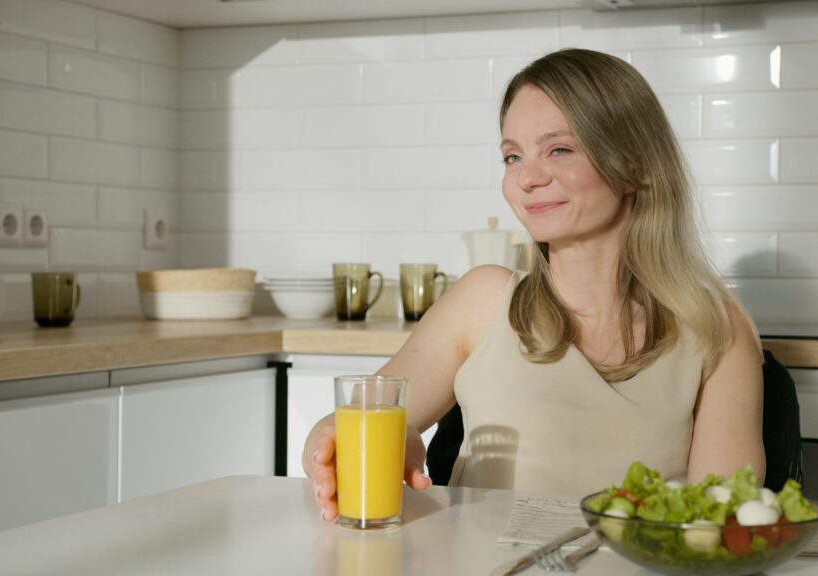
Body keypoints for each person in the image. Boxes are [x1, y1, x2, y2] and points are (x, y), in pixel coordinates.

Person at [304, 48, 765, 522]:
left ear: (635, 164)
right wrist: (342, 450)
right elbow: (335, 432)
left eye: (558, 150)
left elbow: (721, 522)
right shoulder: (483, 301)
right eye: (512, 156)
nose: (526, 177)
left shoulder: (716, 329)